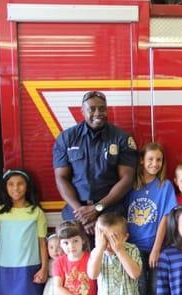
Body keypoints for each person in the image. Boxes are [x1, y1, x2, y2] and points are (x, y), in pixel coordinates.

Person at [53, 91, 137, 234]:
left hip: (111, 214)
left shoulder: (121, 138)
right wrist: (81, 213)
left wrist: (97, 208)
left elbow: (127, 179)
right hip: (76, 216)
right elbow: (61, 177)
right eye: (92, 109)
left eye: (102, 108)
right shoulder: (67, 138)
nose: (98, 113)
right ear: (82, 111)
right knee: (77, 256)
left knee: (111, 256)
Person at [126, 142, 177, 295]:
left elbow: (165, 219)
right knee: (140, 292)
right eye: (150, 160)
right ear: (141, 160)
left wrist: (156, 249)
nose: (154, 164)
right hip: (133, 250)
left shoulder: (164, 186)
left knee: (156, 293)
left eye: (159, 160)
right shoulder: (130, 185)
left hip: (156, 248)